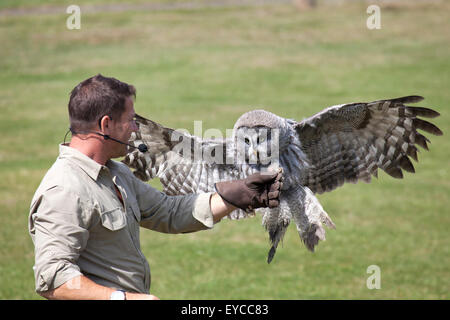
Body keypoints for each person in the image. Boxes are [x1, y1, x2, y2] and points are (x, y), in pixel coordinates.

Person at [28, 74, 282, 300]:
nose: (136, 128)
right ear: (106, 125)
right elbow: (53, 279)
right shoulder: (64, 190)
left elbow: (168, 211)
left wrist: (238, 194)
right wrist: (122, 299)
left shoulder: (115, 173)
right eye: (130, 120)